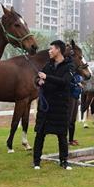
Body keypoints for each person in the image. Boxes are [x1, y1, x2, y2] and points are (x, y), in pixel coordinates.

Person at [33, 40, 73, 170]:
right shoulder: (47, 65)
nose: (49, 51)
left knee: (62, 135)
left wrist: (47, 78)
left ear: (58, 50)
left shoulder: (69, 66)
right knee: (40, 134)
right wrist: (39, 81)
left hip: (60, 106)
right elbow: (37, 78)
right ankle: (36, 161)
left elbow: (64, 82)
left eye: (51, 49)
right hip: (46, 106)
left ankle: (64, 161)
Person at [67, 72, 83, 146]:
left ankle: (71, 139)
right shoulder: (68, 71)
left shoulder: (76, 72)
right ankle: (65, 140)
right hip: (69, 96)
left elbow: (80, 79)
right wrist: (76, 84)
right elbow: (65, 82)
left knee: (73, 119)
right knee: (68, 119)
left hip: (76, 96)